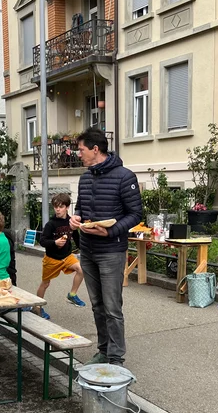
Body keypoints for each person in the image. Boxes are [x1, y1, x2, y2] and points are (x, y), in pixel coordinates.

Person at [69, 128, 142, 366]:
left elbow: (135, 214)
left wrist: (110, 230)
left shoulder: (124, 177)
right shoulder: (85, 177)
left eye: (81, 150)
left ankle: (116, 358)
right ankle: (103, 349)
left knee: (112, 307)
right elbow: (81, 207)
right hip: (88, 250)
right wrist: (76, 218)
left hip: (111, 251)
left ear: (95, 149)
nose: (78, 154)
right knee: (97, 305)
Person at [35, 192, 85, 320]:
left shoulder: (71, 222)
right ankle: (37, 307)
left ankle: (72, 295)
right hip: (52, 258)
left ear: (67, 207)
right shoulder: (51, 224)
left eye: (61, 206)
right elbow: (42, 241)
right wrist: (55, 242)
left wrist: (84, 249)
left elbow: (76, 238)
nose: (57, 209)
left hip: (67, 256)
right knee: (45, 284)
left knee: (81, 269)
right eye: (56, 206)